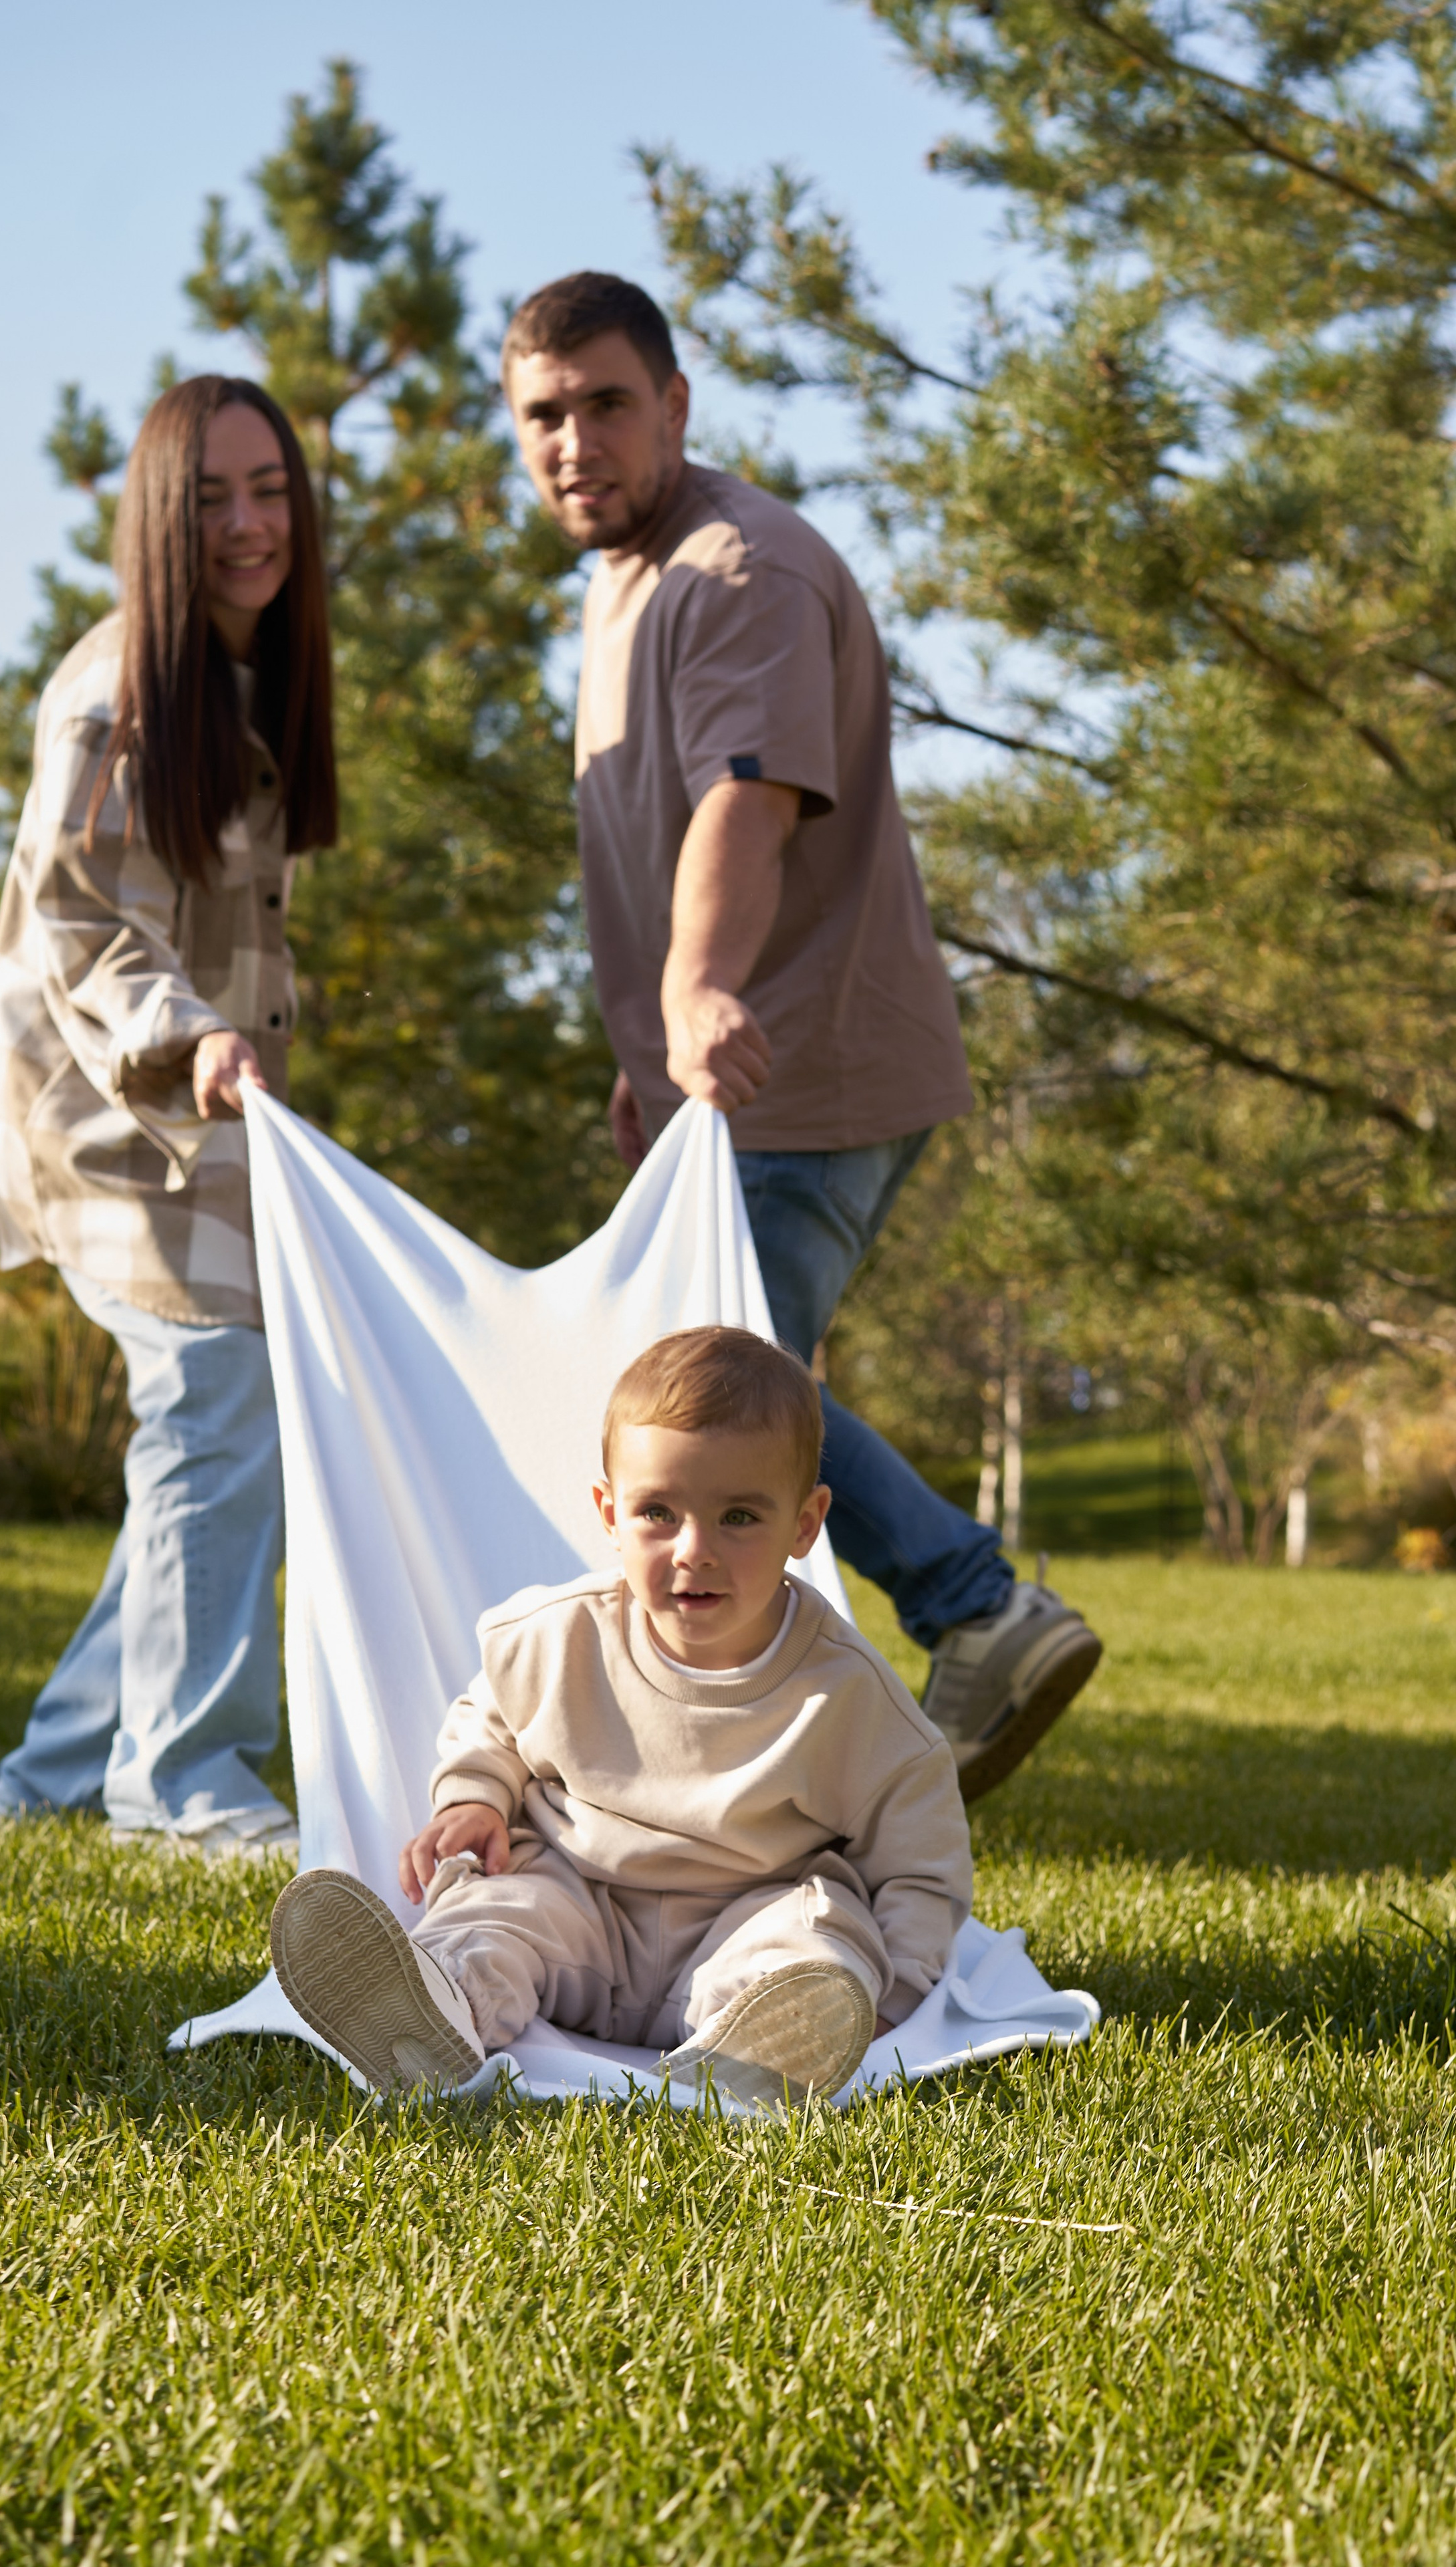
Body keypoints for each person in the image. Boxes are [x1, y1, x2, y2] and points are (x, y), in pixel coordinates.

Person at [496, 271, 1102, 1801]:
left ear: (676, 403)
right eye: (542, 416)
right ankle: (811, 1725)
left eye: (607, 403)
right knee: (717, 1389)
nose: (575, 441)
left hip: (805, 1067)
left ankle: (972, 1608)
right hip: (728, 1085)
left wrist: (699, 987)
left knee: (707, 1397)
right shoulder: (627, 581)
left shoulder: (735, 568)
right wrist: (649, 1060)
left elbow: (743, 800)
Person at [269, 1326, 972, 2109]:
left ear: (805, 1524)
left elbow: (918, 1856)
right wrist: (473, 1797)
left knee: (811, 1933)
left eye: (739, 1517)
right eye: (658, 1513)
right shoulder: (559, 1636)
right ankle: (435, 2010)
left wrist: (894, 1995)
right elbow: (492, 1718)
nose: (693, 1550)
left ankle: (765, 2044)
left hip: (742, 1909)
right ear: (609, 1512)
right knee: (494, 1911)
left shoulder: (845, 1692)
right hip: (576, 1894)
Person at [0, 375, 337, 1859]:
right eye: (211, 501)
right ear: (159, 521)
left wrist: (240, 1052)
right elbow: (83, 924)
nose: (249, 525)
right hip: (102, 1100)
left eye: (270, 492)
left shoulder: (254, 686)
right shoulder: (118, 684)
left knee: (216, 1432)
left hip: (203, 1104)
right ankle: (181, 1781)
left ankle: (60, 1772)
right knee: (211, 1408)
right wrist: (189, 1040)